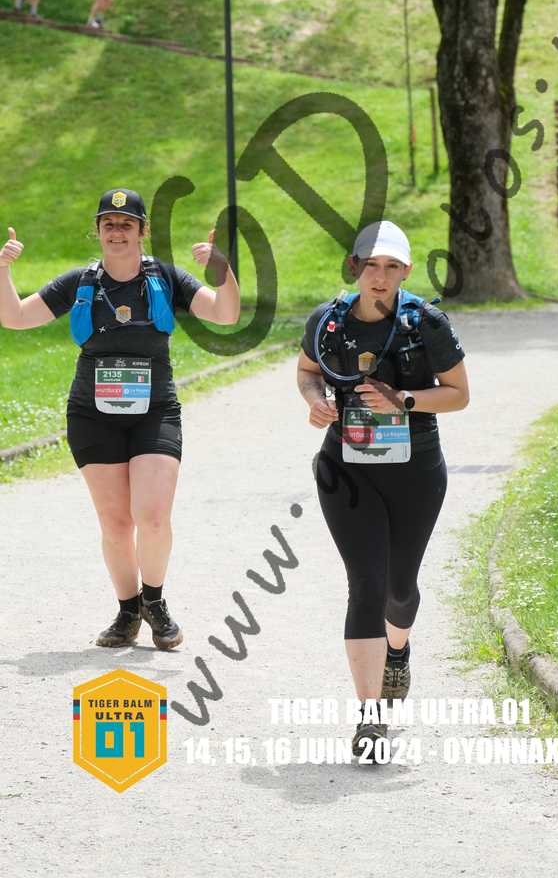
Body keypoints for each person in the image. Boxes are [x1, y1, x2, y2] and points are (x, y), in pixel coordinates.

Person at [0, 189, 240, 650]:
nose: (116, 231)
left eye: (126, 223)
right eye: (108, 223)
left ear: (142, 230)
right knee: (115, 524)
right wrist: (3, 269)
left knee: (152, 516)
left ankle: (155, 601)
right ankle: (128, 611)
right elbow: (14, 317)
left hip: (155, 412)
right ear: (97, 230)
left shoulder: (165, 277)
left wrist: (221, 269)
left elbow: (225, 313)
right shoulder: (79, 282)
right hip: (92, 414)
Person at [296, 220, 469, 762]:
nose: (380, 276)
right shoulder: (327, 321)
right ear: (355, 267)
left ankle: (399, 650)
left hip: (415, 468)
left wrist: (405, 400)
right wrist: (316, 401)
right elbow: (306, 372)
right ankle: (370, 717)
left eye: (392, 267)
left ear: (406, 271)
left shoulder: (425, 323)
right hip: (346, 469)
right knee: (366, 585)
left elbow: (459, 394)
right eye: (371, 265)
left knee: (399, 589)